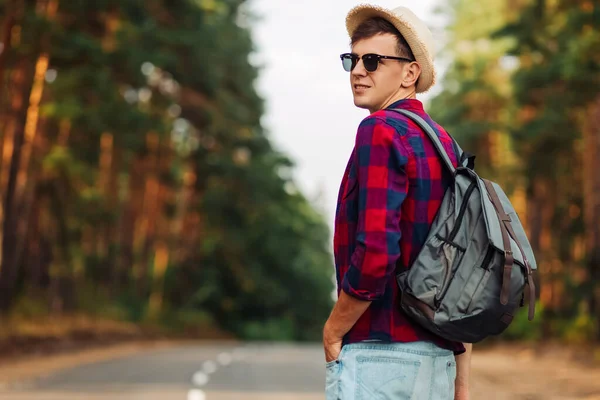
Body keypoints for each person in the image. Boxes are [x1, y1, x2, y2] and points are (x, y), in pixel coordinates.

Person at [323, 4, 472, 400]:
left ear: (410, 73)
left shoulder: (379, 131)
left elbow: (375, 253)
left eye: (372, 60)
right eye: (352, 59)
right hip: (437, 359)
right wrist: (461, 379)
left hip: (380, 355)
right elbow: (459, 268)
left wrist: (334, 329)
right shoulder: (446, 144)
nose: (357, 71)